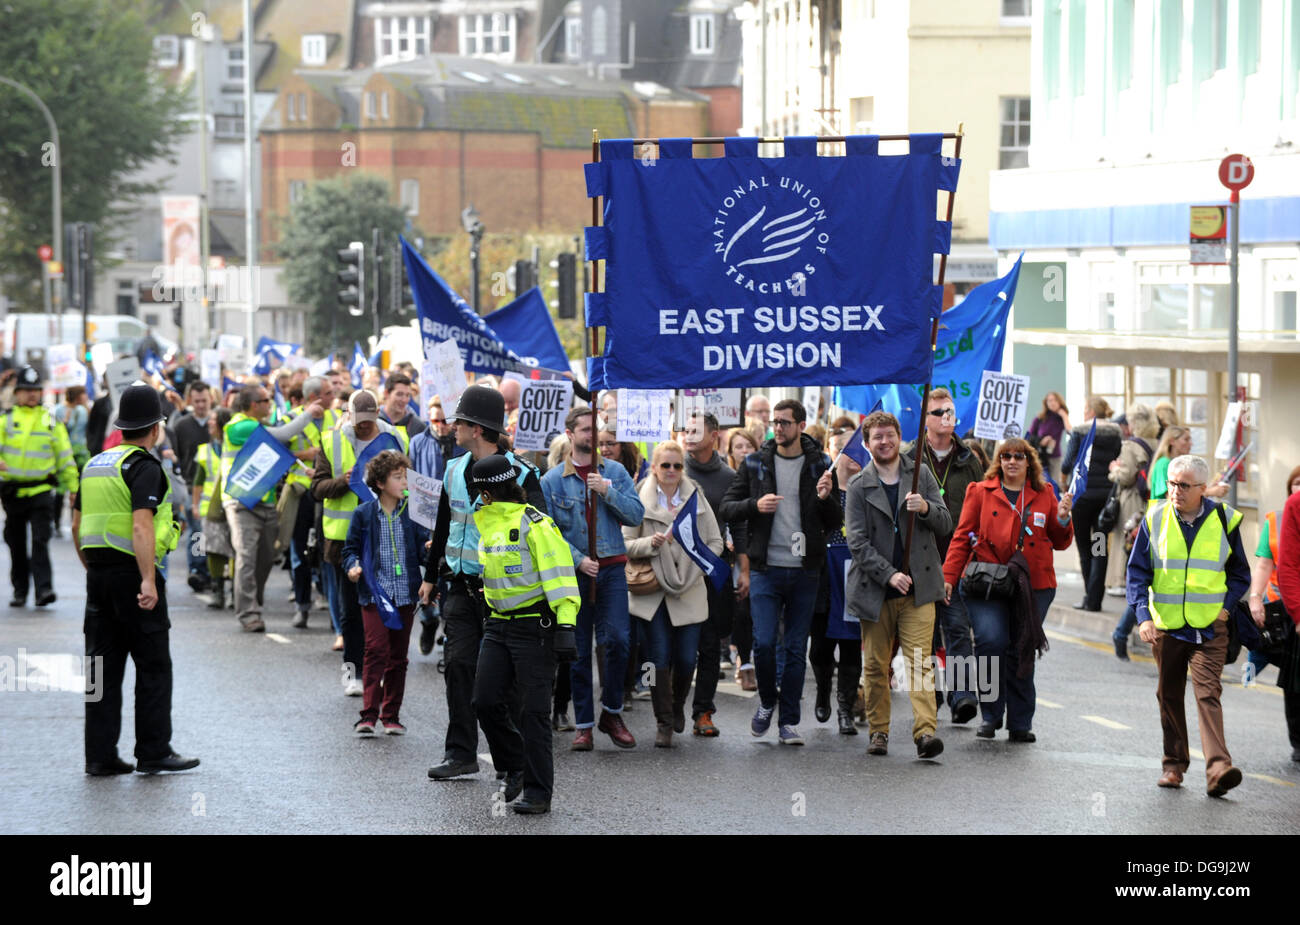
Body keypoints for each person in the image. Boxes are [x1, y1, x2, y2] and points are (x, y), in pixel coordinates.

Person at [419, 385, 546, 779]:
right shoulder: (454, 468)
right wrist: (429, 576)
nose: (452, 427)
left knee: (502, 685)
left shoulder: (524, 474)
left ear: (477, 429)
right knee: (457, 665)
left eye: (459, 421)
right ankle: (460, 753)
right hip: (458, 584)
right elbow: (444, 523)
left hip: (503, 595)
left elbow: (540, 534)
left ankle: (512, 763)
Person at [74, 383, 198, 775]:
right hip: (134, 573)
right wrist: (148, 579)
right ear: (155, 428)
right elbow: (142, 526)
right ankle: (153, 750)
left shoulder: (94, 465)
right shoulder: (145, 467)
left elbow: (77, 524)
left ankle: (100, 755)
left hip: (99, 577)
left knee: (101, 671)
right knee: (153, 665)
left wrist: (92, 568)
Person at [1128, 454, 1250, 795]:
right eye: (1171, 483)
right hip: (1166, 627)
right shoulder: (1154, 519)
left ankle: (1218, 769)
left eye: (1183, 485)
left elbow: (1240, 574)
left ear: (1202, 489)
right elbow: (1137, 573)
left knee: (1208, 693)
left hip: (1211, 627)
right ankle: (1173, 765)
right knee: (1168, 695)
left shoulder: (1225, 520)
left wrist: (1225, 609)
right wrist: (1143, 617)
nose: (1175, 491)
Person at [720, 398, 839, 746]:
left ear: (801, 426)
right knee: (765, 643)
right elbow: (727, 507)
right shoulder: (756, 462)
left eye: (785, 422)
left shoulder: (820, 463)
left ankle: (789, 720)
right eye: (775, 422)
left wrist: (826, 498)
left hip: (805, 571)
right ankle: (767, 702)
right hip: (765, 569)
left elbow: (834, 522)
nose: (778, 428)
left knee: (796, 648)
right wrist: (754, 505)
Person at [943, 437, 1075, 742]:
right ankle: (990, 715)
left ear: (1029, 462)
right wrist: (948, 576)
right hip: (987, 582)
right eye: (1006, 456)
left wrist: (1064, 517)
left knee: (1021, 647)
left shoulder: (1046, 494)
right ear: (998, 461)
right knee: (991, 642)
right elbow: (962, 536)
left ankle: (1020, 722)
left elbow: (1059, 540)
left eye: (1018, 456)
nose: (1012, 461)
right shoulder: (979, 491)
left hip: (1033, 585)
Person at [470, 454, 580, 814]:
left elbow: (561, 576)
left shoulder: (535, 523)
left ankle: (538, 791)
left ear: (487, 493)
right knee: (484, 701)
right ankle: (515, 764)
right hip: (499, 624)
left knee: (533, 713)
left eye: (479, 492)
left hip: (536, 626)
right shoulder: (485, 523)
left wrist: (566, 625)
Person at [846, 410, 951, 758]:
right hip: (876, 590)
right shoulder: (859, 485)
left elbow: (945, 522)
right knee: (876, 665)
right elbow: (857, 543)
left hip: (919, 588)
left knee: (920, 662)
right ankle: (879, 731)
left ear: (899, 437)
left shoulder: (920, 473)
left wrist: (924, 509)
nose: (885, 441)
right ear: (867, 443)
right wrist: (888, 573)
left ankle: (925, 733)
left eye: (890, 435)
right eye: (877, 437)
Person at [540, 404, 645, 751]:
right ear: (570, 435)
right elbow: (549, 533)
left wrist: (607, 491)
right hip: (575, 574)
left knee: (617, 641)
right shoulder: (552, 480)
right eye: (586, 429)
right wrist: (578, 560)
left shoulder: (614, 470)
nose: (593, 435)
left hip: (613, 568)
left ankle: (611, 711)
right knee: (578, 651)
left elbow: (634, 514)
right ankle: (583, 724)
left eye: (595, 429)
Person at [623, 441, 724, 747]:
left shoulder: (696, 498)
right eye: (665, 465)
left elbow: (716, 542)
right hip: (653, 589)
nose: (671, 471)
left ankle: (678, 705)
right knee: (657, 659)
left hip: (689, 588)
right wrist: (649, 544)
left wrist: (698, 567)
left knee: (686, 658)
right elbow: (625, 543)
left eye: (677, 466)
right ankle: (663, 721)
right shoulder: (640, 497)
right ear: (654, 467)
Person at [313, 390, 409, 693]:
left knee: (384, 606)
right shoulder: (331, 440)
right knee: (351, 611)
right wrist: (344, 480)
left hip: (386, 535)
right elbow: (317, 487)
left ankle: (376, 669)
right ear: (348, 414)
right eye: (358, 422)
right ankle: (352, 673)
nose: (363, 427)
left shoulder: (396, 439)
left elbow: (409, 484)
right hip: (345, 541)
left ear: (378, 414)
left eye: (368, 421)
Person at [904, 388, 987, 724]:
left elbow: (983, 506)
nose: (947, 418)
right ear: (925, 419)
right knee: (922, 637)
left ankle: (964, 695)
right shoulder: (909, 458)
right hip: (920, 563)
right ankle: (930, 696)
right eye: (939, 412)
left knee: (957, 630)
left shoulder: (969, 460)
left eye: (950, 411)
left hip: (956, 563)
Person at [222, 384, 324, 633]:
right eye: (266, 400)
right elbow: (282, 434)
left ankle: (252, 601)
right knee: (246, 556)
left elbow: (277, 452)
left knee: (267, 557)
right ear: (253, 405)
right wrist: (308, 413)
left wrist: (305, 465)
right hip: (242, 502)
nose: (270, 404)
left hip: (265, 500)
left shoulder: (255, 425)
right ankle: (248, 613)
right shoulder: (239, 425)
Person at [342, 450, 429, 736]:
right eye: (397, 477)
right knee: (375, 651)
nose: (404, 481)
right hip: (375, 596)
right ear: (380, 483)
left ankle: (391, 715)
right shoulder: (364, 514)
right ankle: (368, 714)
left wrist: (432, 552)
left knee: (398, 657)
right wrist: (353, 566)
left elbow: (422, 553)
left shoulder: (413, 515)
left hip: (404, 595)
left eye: (405, 476)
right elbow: (350, 550)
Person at [682, 412, 747, 736]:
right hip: (676, 574)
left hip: (713, 572)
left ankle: (703, 712)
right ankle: (670, 709)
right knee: (678, 649)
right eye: (685, 429)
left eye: (695, 430)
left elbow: (739, 525)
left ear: (713, 435)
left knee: (709, 645)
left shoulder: (728, 477)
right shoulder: (672, 469)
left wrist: (744, 569)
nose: (688, 434)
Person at [1110, 424, 1190, 659]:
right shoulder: (1165, 465)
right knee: (1151, 585)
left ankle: (1123, 632)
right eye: (1186, 439)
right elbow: (1162, 499)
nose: (1189, 443)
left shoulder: (1172, 464)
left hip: (1170, 528)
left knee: (1156, 586)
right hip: (1161, 529)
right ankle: (1121, 632)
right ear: (1173, 441)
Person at [1, 366, 79, 607]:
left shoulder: (50, 420)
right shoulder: (6, 419)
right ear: (17, 392)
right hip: (13, 493)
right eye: (26, 390)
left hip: (42, 492)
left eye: (35, 390)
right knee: (15, 543)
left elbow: (65, 456)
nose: (32, 395)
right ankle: (20, 590)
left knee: (40, 541)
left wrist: (73, 488)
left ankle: (44, 590)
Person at [1245, 464, 1300, 761]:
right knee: (1291, 679)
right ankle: (1298, 742)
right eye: (1296, 483)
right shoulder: (1276, 519)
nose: (1299, 488)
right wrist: (1255, 597)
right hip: (1284, 605)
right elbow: (1266, 563)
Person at [1060, 396, 1123, 612]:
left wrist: (1062, 481)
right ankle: (1095, 599)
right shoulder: (1116, 433)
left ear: (1091, 412)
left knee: (1085, 548)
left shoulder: (1079, 431)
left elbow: (1068, 463)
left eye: (1085, 408)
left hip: (1082, 497)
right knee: (1099, 545)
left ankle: (1089, 596)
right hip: (1105, 498)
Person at [282, 376, 335, 629]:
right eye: (328, 393)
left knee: (327, 550)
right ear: (314, 397)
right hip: (300, 492)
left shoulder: (335, 417)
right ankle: (302, 606)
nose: (333, 397)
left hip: (327, 492)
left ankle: (328, 601)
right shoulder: (288, 419)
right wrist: (306, 456)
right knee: (299, 550)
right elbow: (275, 449)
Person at [1104, 404, 1158, 596]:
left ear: (1134, 422)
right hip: (1148, 498)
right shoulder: (1156, 443)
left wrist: (1113, 470)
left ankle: (1120, 580)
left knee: (1123, 538)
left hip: (1131, 497)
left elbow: (1125, 477)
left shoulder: (1130, 445)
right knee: (1141, 540)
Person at [407, 408, 447, 657]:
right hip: (424, 521)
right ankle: (429, 619)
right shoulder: (418, 442)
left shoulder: (460, 443)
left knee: (446, 578)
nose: (441, 425)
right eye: (436, 420)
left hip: (451, 518)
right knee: (424, 576)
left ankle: (450, 629)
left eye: (446, 420)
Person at [193, 408, 234, 609]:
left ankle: (236, 591)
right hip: (211, 508)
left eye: (213, 420)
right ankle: (218, 591)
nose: (209, 423)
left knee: (236, 549)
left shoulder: (235, 445)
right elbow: (198, 481)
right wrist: (194, 504)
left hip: (234, 503)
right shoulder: (204, 450)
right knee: (213, 550)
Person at [52, 385, 91, 537]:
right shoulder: (58, 410)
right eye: (83, 394)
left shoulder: (83, 410)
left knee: (80, 490)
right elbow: (55, 431)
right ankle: (56, 522)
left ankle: (77, 520)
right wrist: (66, 422)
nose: (86, 396)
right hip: (65, 455)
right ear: (77, 395)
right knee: (61, 490)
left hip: (81, 454)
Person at [1027, 392, 1071, 484]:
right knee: (1041, 484)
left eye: (1055, 400)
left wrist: (1064, 415)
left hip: (1055, 458)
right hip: (1040, 457)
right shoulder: (1039, 418)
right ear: (1046, 403)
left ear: (1060, 402)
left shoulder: (1061, 418)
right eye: (1050, 401)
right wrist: (1040, 441)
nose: (1052, 403)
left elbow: (1070, 431)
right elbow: (1028, 437)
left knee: (1055, 485)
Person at [596, 418, 649, 484]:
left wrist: (636, 488)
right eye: (600, 444)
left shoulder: (643, 469)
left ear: (623, 445)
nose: (604, 449)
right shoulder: (597, 469)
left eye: (610, 444)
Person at [379, 372, 427, 440]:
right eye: (399, 394)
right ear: (386, 393)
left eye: (407, 395)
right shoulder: (375, 421)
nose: (404, 400)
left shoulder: (418, 426)